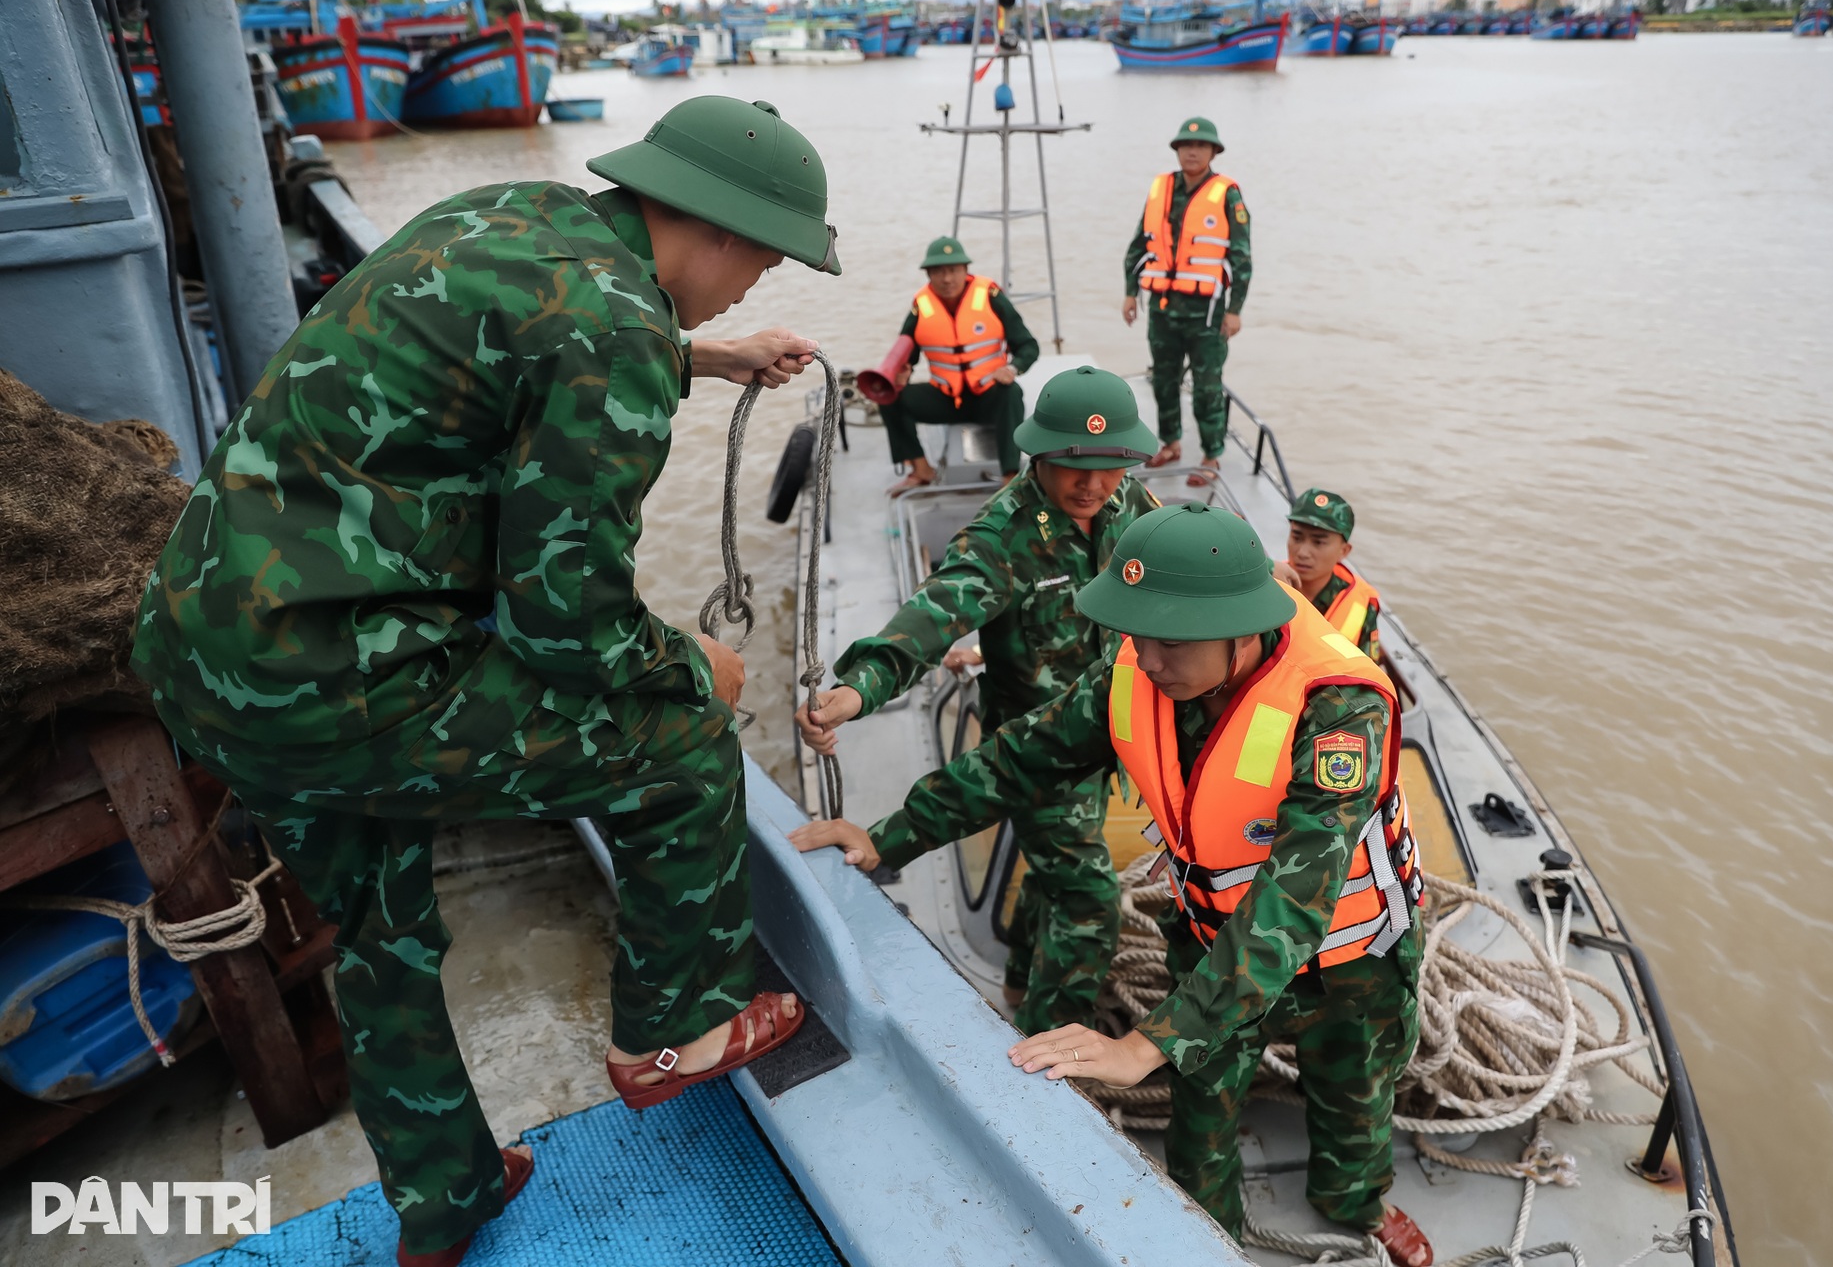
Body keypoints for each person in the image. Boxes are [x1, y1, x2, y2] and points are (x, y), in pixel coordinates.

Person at [131, 96, 836, 1267]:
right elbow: (566, 619)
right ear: (711, 226)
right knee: (678, 742)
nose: (756, 282)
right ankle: (673, 1033)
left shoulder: (510, 216)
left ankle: (445, 1197)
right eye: (761, 256)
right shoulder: (613, 327)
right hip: (336, 673)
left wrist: (700, 353)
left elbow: (521, 336)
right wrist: (690, 664)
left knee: (377, 926)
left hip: (207, 655)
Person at [792, 504, 1434, 1267]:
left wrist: (1146, 1041)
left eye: (1167, 641)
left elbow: (1294, 900)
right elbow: (1017, 759)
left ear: (1240, 628)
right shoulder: (1137, 670)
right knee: (1200, 1119)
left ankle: (1355, 1203)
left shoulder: (1339, 710)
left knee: (1356, 1100)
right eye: (1135, 634)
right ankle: (1206, 1242)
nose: (1146, 658)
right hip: (1213, 940)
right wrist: (887, 837)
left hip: (1350, 959)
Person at [797, 365, 1159, 1032]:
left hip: (1106, 732)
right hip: (1034, 752)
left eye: (1111, 466)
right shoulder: (1003, 539)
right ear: (1037, 454)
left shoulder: (1126, 505)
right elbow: (932, 617)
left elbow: (1167, 571)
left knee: (1055, 869)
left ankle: (1021, 982)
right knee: (1088, 901)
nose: (1094, 484)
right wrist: (857, 690)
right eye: (1075, 466)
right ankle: (1051, 1057)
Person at [1122, 116, 1251, 490]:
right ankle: (1171, 444)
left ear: (1213, 152)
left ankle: (1211, 455)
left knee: (1208, 386)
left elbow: (1242, 256)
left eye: (1200, 146)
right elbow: (1138, 245)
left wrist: (1235, 310)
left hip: (1207, 314)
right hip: (1162, 309)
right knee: (1163, 380)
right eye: (1185, 146)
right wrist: (1131, 292)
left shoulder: (1227, 194)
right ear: (1177, 151)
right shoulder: (1160, 189)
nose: (1192, 152)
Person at [880, 235, 1041, 494]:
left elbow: (1028, 346)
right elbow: (904, 357)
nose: (946, 279)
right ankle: (921, 469)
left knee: (1011, 393)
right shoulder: (920, 307)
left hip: (989, 395)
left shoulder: (991, 296)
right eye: (938, 272)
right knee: (890, 398)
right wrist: (900, 377)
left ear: (966, 270)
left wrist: (1012, 368)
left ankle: (1010, 475)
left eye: (953, 270)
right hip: (946, 399)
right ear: (928, 274)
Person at [1286, 488, 1383, 663]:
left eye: (1318, 542)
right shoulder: (1267, 584)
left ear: (1343, 551)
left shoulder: (1362, 603)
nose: (1303, 552)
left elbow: (1367, 672)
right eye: (1297, 537)